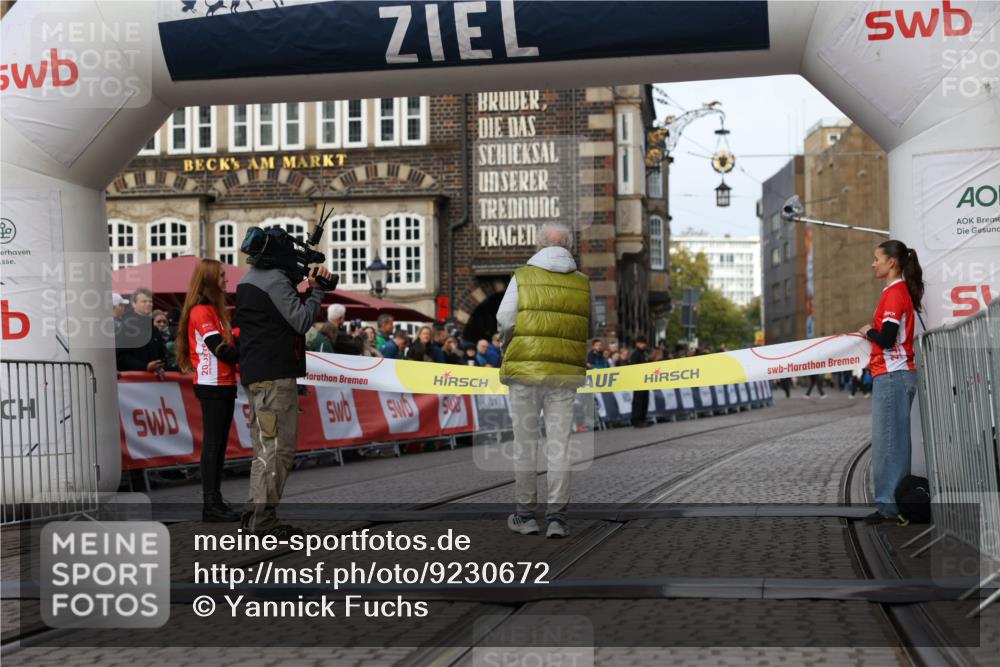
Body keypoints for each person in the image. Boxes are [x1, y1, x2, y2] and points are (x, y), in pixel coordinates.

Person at [236, 227, 332, 537]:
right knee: (278, 448)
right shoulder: (276, 281)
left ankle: (255, 512)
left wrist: (305, 285)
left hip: (256, 374)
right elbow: (301, 320)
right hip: (274, 376)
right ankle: (262, 520)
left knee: (265, 447)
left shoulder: (248, 280)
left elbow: (278, 310)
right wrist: (317, 291)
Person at [497, 222, 590, 539]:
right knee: (559, 446)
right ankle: (557, 518)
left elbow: (504, 319)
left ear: (538, 246)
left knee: (525, 444)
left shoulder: (522, 276)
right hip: (564, 375)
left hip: (525, 371)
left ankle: (525, 516)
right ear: (569, 247)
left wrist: (509, 343)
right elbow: (588, 328)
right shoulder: (582, 283)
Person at [859, 239, 923, 524]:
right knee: (894, 442)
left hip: (893, 374)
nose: (874, 263)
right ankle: (894, 504)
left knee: (888, 444)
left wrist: (867, 332)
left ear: (891, 262)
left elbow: (886, 337)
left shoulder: (894, 293)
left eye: (876, 258)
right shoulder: (898, 291)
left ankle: (889, 508)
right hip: (897, 374)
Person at [176, 259, 242, 523]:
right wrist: (251, 353)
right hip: (212, 384)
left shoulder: (214, 309)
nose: (226, 280)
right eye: (222, 276)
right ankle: (210, 503)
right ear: (210, 279)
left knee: (219, 444)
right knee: (213, 444)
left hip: (223, 383)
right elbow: (221, 350)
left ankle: (214, 499)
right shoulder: (201, 310)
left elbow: (226, 343)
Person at [116, 287, 167, 377]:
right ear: (134, 304)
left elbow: (162, 353)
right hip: (133, 383)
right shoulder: (126, 326)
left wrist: (161, 365)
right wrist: (145, 367)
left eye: (150, 302)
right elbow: (121, 358)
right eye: (144, 301)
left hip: (155, 382)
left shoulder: (153, 328)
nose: (148, 304)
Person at [629, 337, 651, 428]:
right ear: (638, 344)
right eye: (642, 343)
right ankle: (636, 420)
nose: (644, 345)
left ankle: (642, 418)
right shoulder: (635, 354)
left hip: (645, 380)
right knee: (638, 401)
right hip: (638, 381)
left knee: (645, 400)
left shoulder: (644, 354)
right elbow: (634, 368)